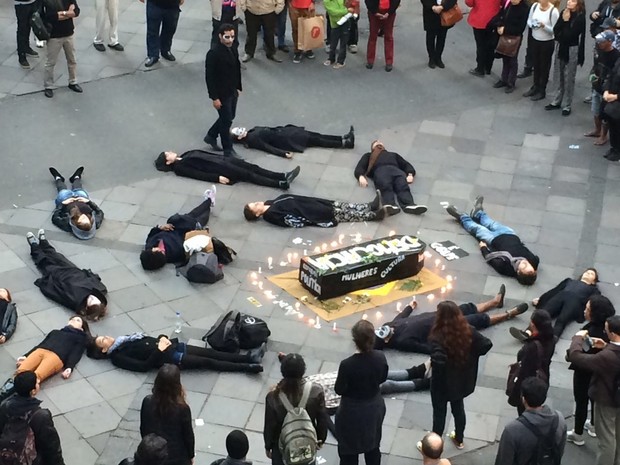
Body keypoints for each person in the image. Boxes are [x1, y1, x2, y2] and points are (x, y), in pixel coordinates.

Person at [374, 291, 528, 354]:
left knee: (466, 308)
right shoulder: (402, 341)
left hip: (439, 314)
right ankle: (509, 314)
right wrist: (443, 349)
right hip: (443, 326)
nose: (387, 329)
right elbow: (424, 348)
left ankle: (494, 302)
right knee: (476, 320)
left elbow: (401, 316)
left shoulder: (390, 325)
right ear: (386, 340)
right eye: (385, 333)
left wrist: (410, 306)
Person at [429, 301, 492, 449]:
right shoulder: (469, 331)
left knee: (439, 414)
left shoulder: (437, 337)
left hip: (441, 385)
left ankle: (434, 446)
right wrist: (471, 358)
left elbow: (438, 361)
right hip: (461, 382)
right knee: (458, 410)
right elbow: (486, 344)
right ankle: (459, 439)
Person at [446, 196, 539, 284]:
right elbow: (536, 259)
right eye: (530, 267)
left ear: (518, 272)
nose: (526, 262)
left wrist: (483, 248)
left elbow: (491, 260)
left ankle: (462, 217)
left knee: (477, 229)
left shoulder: (506, 268)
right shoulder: (532, 261)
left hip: (493, 239)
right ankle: (478, 213)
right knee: (490, 223)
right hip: (509, 234)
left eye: (524, 267)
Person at [568, 315, 620, 465]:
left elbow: (577, 357)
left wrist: (577, 339)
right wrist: (605, 345)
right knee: (617, 434)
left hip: (608, 398)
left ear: (613, 333)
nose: (605, 331)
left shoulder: (609, 356)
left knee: (606, 438)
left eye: (607, 330)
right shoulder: (611, 351)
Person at [335, 320, 388, 465]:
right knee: (373, 445)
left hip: (351, 411)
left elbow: (338, 389)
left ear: (354, 340)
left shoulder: (347, 364)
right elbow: (383, 377)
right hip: (374, 407)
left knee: (349, 451)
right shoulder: (380, 357)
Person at [566, 295, 616, 446]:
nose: (584, 311)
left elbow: (575, 354)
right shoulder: (609, 330)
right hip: (602, 375)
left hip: (584, 372)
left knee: (581, 401)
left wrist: (576, 342)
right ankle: (593, 425)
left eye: (588, 309)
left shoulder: (590, 331)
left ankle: (578, 433)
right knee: (594, 399)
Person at [27, 230, 108, 320]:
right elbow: (94, 278)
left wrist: (48, 283)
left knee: (45, 262)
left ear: (87, 306)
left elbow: (60, 296)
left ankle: (34, 246)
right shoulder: (100, 290)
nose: (93, 297)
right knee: (57, 257)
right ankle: (44, 243)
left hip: (58, 276)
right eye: (96, 299)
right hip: (72, 270)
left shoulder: (76, 301)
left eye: (91, 301)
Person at [264, 353, 328, 465]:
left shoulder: (273, 397)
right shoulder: (316, 391)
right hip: (306, 443)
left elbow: (270, 426)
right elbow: (322, 420)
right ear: (303, 370)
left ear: (282, 371)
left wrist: (268, 446)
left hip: (282, 446)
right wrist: (321, 439)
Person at [88, 333, 264, 373]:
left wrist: (163, 338)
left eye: (103, 336)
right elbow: (143, 366)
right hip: (170, 357)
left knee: (211, 353)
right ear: (104, 350)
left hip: (171, 347)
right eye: (103, 341)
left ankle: (248, 357)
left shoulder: (124, 339)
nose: (107, 337)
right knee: (207, 362)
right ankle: (247, 367)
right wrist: (160, 349)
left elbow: (147, 339)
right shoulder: (118, 357)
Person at [509, 268, 600, 340]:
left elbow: (592, 302)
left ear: (593, 281)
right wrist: (541, 299)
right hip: (562, 295)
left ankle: (552, 339)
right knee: (542, 313)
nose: (588, 274)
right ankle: (527, 333)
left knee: (562, 320)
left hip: (575, 301)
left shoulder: (593, 290)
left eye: (592, 274)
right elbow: (555, 290)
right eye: (587, 272)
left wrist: (587, 313)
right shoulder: (569, 281)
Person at [494, 377, 567, 465]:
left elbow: (504, 461)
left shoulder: (512, 430)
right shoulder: (559, 419)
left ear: (523, 399)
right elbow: (559, 451)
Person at [0, 372, 65, 465]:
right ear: (33, 391)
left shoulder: (5, 406)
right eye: (37, 383)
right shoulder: (41, 416)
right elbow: (51, 447)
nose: (38, 384)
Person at [155, 150, 301, 189]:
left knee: (252, 167)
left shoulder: (185, 155)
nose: (171, 151)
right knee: (249, 175)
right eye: (168, 154)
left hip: (224, 162)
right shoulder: (180, 168)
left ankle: (281, 175)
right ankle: (279, 183)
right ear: (168, 162)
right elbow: (198, 174)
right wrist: (217, 178)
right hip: (220, 169)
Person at [355, 140, 428, 216]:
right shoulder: (368, 156)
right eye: (375, 143)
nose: (378, 143)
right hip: (380, 171)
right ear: (372, 148)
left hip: (396, 171)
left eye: (380, 142)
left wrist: (410, 174)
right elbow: (360, 166)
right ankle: (390, 205)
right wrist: (360, 176)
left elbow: (405, 164)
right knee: (385, 186)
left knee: (403, 186)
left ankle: (409, 205)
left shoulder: (393, 154)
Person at [140, 364, 195, 465]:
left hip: (154, 453)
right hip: (177, 456)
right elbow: (188, 436)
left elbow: (143, 428)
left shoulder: (147, 401)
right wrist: (191, 455)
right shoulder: (182, 408)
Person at [140, 199, 213, 270]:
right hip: (185, 232)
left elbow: (152, 233)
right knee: (199, 219)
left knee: (187, 216)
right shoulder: (173, 255)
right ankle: (208, 203)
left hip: (174, 226)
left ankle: (208, 201)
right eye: (161, 252)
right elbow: (186, 251)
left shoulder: (150, 245)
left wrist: (161, 227)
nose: (161, 250)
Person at [14, 316, 91, 383]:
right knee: (20, 371)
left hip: (56, 356)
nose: (73, 320)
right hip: (41, 350)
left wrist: (69, 367)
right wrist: (26, 356)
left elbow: (75, 353)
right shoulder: (55, 332)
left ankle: (26, 392)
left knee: (37, 376)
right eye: (72, 319)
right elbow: (41, 344)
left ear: (82, 328)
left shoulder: (80, 338)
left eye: (78, 320)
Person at [243, 192, 386, 227]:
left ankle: (368, 206)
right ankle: (372, 215)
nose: (256, 202)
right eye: (254, 205)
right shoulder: (271, 215)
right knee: (342, 214)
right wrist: (309, 220)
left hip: (310, 203)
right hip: (310, 212)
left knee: (340, 205)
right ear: (256, 213)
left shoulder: (269, 202)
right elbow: (290, 221)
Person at [205, 23, 243, 158]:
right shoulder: (213, 53)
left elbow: (236, 68)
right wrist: (214, 98)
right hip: (221, 93)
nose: (230, 40)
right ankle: (228, 149)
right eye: (227, 37)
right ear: (220, 36)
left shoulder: (232, 49)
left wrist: (238, 86)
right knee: (226, 120)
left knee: (229, 116)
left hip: (232, 90)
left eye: (232, 37)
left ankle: (211, 135)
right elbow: (209, 77)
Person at [508, 310, 556, 414]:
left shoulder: (532, 347)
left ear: (533, 325)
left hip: (530, 383)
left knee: (524, 412)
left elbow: (524, 371)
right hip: (543, 378)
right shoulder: (551, 339)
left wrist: (514, 396)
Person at [544, 0, 585, 115]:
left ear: (578, 4)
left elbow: (571, 35)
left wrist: (566, 22)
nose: (568, 2)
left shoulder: (580, 18)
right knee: (558, 73)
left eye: (572, 1)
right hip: (561, 46)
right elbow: (556, 30)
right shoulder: (564, 12)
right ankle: (557, 100)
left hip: (571, 49)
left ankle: (567, 104)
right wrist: (563, 25)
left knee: (569, 77)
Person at [48, 166, 104, 240]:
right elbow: (99, 212)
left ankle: (58, 178)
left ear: (77, 223)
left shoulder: (68, 224)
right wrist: (89, 202)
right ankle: (76, 177)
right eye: (86, 218)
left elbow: (55, 218)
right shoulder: (95, 222)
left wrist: (63, 204)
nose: (84, 216)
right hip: (81, 198)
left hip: (67, 200)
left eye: (81, 219)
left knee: (63, 192)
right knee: (79, 190)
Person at [232, 125, 354, 158]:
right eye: (238, 131)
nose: (241, 129)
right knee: (317, 140)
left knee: (317, 136)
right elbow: (267, 147)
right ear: (239, 138)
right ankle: (344, 143)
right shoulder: (252, 140)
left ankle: (342, 138)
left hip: (288, 132)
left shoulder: (253, 131)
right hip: (289, 139)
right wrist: (283, 153)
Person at [41, 0, 81, 98]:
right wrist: (68, 13)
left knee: (72, 59)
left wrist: (62, 14)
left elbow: (76, 12)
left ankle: (73, 81)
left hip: (69, 33)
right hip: (54, 36)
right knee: (50, 62)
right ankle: (48, 86)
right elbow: (50, 17)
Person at [586, 30, 620, 146]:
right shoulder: (599, 50)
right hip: (597, 85)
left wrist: (608, 89)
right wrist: (593, 75)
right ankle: (597, 130)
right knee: (595, 110)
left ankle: (604, 136)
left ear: (610, 42)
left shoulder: (616, 56)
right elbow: (596, 65)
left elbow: (614, 75)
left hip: (607, 90)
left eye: (602, 41)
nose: (599, 43)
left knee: (605, 114)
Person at [489, 0, 529, 93]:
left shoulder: (524, 9)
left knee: (512, 59)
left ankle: (511, 82)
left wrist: (505, 29)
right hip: (504, 35)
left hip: (514, 37)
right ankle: (504, 79)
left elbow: (520, 28)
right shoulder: (509, 4)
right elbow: (501, 16)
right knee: (504, 56)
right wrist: (499, 25)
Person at [522, 0, 559, 101]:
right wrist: (532, 24)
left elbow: (555, 30)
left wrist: (544, 26)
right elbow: (529, 20)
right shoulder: (534, 6)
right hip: (535, 40)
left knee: (544, 66)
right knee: (536, 64)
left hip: (546, 42)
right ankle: (535, 86)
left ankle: (542, 90)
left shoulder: (553, 11)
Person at [465, 0, 501, 77]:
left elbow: (469, 3)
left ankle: (480, 68)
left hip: (479, 19)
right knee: (490, 45)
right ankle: (488, 68)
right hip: (494, 19)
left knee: (481, 46)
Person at [142, 0, 181, 67]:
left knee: (170, 28)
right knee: (152, 30)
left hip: (173, 5)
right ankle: (153, 54)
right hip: (154, 3)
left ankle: (165, 50)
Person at [365, 0, 399, 71]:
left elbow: (396, 1)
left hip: (389, 13)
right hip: (374, 13)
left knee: (388, 37)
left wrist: (389, 13)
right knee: (372, 36)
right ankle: (370, 60)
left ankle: (389, 62)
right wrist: (375, 12)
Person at [421, 0, 457, 69]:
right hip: (430, 12)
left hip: (445, 13)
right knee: (430, 36)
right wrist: (432, 7)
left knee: (442, 37)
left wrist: (443, 7)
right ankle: (431, 58)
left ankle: (438, 58)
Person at [324, 0, 354, 68]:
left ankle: (341, 61)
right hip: (335, 24)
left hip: (345, 21)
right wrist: (346, 11)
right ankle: (331, 59)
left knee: (343, 44)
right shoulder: (326, 1)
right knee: (333, 43)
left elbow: (347, 4)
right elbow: (333, 12)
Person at [603, 47, 620, 161]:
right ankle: (614, 147)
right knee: (612, 123)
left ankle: (618, 150)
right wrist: (606, 90)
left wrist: (616, 96)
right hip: (612, 96)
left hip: (617, 98)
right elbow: (612, 74)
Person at [14, 0, 40, 69]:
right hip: (21, 4)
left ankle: (26, 47)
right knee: (22, 29)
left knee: (29, 25)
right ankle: (21, 55)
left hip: (33, 2)